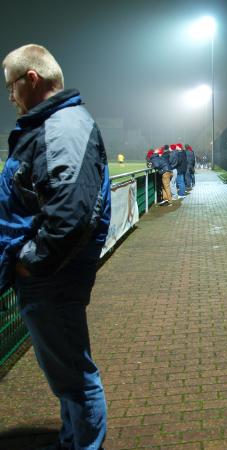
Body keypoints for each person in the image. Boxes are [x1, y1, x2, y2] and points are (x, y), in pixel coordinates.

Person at [1, 44, 111, 449]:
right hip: (53, 278)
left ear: (31, 79)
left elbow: (70, 217)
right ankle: (72, 440)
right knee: (68, 376)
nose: (9, 96)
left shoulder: (61, 127)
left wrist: (30, 262)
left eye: (10, 86)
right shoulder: (58, 124)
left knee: (76, 380)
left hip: (51, 280)